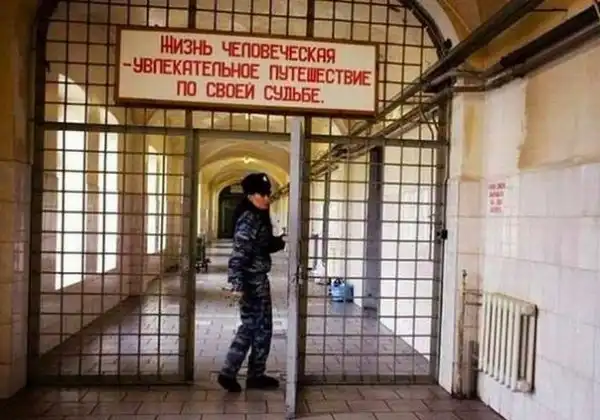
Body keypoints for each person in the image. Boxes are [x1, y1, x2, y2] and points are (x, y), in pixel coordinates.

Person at [218, 172, 286, 392]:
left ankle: (255, 374)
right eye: (261, 194)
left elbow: (261, 245)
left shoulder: (258, 216)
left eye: (267, 194)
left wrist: (279, 242)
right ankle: (229, 372)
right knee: (251, 326)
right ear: (249, 195)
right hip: (250, 281)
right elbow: (239, 252)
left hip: (258, 280)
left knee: (262, 328)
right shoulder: (249, 218)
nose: (266, 198)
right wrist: (237, 283)